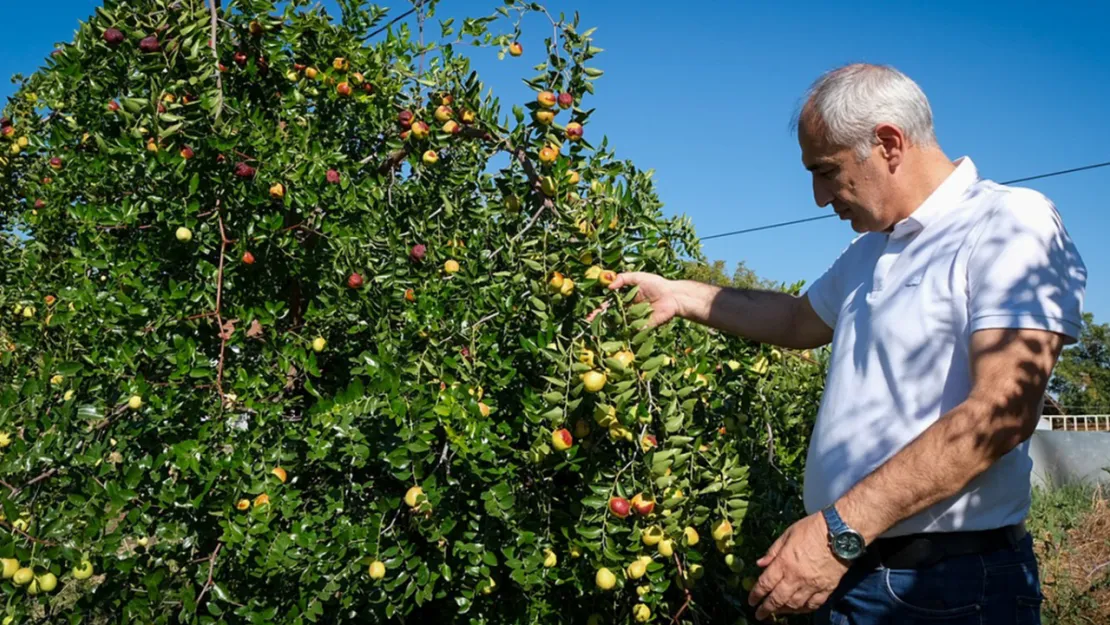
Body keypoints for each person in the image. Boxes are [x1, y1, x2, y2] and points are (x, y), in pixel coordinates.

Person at [607, 63, 1087, 624]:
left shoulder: (1009, 222)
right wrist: (678, 295)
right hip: (855, 569)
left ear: (888, 143)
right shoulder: (871, 250)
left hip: (944, 588)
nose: (817, 197)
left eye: (826, 171)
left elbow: (1001, 412)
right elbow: (793, 320)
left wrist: (839, 530)